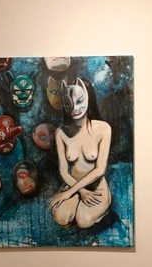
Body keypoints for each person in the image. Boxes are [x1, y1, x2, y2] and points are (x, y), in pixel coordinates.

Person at [48, 78, 112, 228]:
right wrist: (79, 191)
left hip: (97, 188)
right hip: (72, 184)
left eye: (79, 101)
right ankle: (76, 200)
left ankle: (104, 208)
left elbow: (100, 170)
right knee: (61, 218)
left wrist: (69, 193)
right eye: (68, 103)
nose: (74, 108)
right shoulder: (61, 133)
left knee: (83, 221)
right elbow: (64, 172)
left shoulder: (103, 129)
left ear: (88, 98)